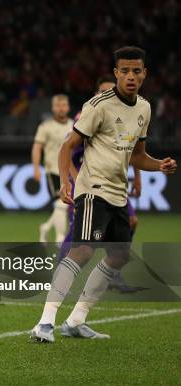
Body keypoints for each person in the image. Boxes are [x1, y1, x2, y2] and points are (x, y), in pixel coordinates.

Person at [31, 46, 177, 343]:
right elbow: (68, 145)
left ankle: (76, 320)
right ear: (116, 73)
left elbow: (137, 156)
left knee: (120, 254)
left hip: (118, 193)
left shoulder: (144, 109)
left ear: (144, 74)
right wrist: (64, 184)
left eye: (136, 71)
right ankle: (44, 322)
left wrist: (159, 164)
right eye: (124, 71)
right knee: (82, 250)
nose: (130, 76)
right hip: (93, 188)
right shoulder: (98, 105)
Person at [59, 76, 144, 293]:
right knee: (78, 232)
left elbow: (133, 149)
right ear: (97, 94)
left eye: (111, 91)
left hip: (115, 183)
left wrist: (138, 176)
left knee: (131, 222)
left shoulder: (127, 115)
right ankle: (61, 272)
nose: (109, 96)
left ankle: (113, 274)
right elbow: (67, 149)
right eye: (104, 92)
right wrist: (74, 178)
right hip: (90, 182)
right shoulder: (87, 115)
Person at [31, 95, 73, 243]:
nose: (61, 108)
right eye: (58, 105)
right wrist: (36, 168)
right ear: (53, 107)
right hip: (53, 171)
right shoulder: (45, 126)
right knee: (61, 203)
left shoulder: (75, 125)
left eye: (64, 105)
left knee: (66, 204)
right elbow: (37, 147)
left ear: (68, 107)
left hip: (70, 172)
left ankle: (46, 227)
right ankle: (60, 238)